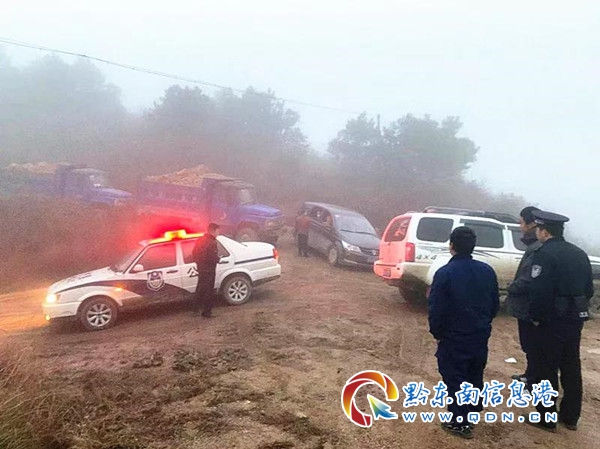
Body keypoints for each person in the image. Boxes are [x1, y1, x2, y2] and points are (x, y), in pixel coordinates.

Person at [524, 210, 594, 433]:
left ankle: (546, 418)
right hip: (574, 318)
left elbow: (539, 291)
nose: (538, 233)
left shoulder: (544, 254)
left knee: (545, 369)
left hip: (551, 319)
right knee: (571, 366)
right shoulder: (579, 253)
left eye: (539, 229)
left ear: (544, 232)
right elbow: (589, 290)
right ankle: (571, 417)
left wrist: (535, 317)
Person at [428, 226, 499, 439]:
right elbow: (494, 304)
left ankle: (460, 422)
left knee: (455, 376)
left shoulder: (445, 273)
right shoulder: (487, 271)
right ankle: (471, 410)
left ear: (451, 246)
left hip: (454, 335)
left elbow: (436, 308)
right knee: (474, 372)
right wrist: (483, 323)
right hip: (479, 334)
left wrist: (437, 332)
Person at [506, 206, 541, 384]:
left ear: (532, 224)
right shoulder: (535, 246)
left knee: (532, 343)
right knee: (531, 344)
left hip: (530, 306)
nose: (520, 227)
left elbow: (527, 279)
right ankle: (530, 374)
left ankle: (533, 379)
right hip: (530, 305)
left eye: (521, 223)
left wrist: (511, 287)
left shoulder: (537, 248)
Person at [191, 223, 221, 318]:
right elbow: (212, 257)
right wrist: (218, 259)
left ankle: (195, 309)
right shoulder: (212, 242)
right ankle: (206, 312)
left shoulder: (200, 240)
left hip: (201, 269)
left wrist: (199, 263)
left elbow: (194, 253)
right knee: (209, 291)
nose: (218, 233)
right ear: (214, 231)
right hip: (209, 270)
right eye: (218, 231)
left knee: (200, 288)